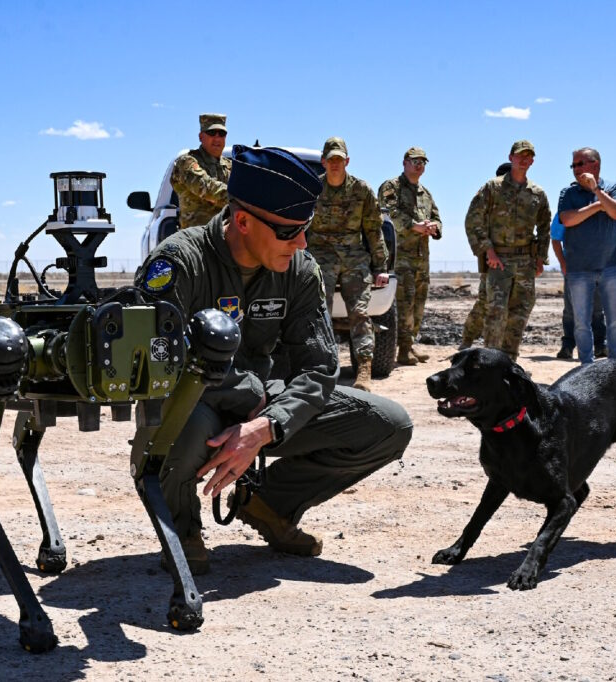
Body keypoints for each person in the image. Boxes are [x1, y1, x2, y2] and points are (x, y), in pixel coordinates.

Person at [135, 145, 413, 574]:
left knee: (389, 424)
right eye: (289, 231)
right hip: (198, 405)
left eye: (306, 228)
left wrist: (266, 426)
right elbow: (156, 360)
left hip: (267, 405)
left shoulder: (299, 268)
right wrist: (246, 393)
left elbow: (319, 367)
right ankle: (182, 528)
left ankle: (269, 506)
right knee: (178, 425)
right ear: (243, 221)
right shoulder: (180, 261)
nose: (301, 242)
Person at [309, 137, 390, 391]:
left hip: (354, 257)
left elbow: (373, 230)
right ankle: (322, 366)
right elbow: (300, 228)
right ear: (323, 161)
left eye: (339, 159)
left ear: (347, 161)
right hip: (321, 256)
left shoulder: (361, 190)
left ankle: (364, 369)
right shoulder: (312, 189)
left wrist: (381, 267)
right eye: (330, 159)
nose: (335, 164)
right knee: (320, 311)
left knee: (360, 311)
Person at [463, 140, 551, 360]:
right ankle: (489, 360)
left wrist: (540, 258)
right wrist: (487, 251)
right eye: (520, 155)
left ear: (532, 160)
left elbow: (544, 228)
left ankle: (509, 360)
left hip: (525, 263)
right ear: (511, 157)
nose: (524, 159)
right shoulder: (493, 188)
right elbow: (473, 220)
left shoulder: (537, 193)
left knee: (520, 313)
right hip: (499, 261)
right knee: (496, 312)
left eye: (529, 156)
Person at [557, 147, 616, 364]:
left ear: (595, 165)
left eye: (581, 164)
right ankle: (586, 366)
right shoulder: (568, 193)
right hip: (579, 269)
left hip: (611, 267)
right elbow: (568, 220)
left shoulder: (614, 187)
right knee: (581, 323)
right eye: (574, 165)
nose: (576, 169)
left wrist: (597, 191)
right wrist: (599, 207)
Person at [378, 147, 442, 365]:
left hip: (421, 257)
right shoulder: (391, 187)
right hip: (400, 256)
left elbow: (436, 216)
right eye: (415, 161)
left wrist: (434, 227)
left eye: (423, 162)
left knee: (418, 304)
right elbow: (388, 214)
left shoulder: (425, 193)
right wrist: (413, 226)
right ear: (404, 162)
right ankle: (402, 349)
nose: (419, 165)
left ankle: (409, 345)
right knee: (404, 304)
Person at [460, 161, 508, 350]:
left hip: (516, 260)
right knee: (485, 303)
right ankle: (467, 339)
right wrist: (485, 250)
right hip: (492, 258)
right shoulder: (489, 194)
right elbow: (474, 223)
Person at [552, 212, 607, 360]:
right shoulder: (565, 211)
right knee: (571, 311)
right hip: (573, 268)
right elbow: (555, 238)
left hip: (597, 267)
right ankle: (568, 346)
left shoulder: (601, 210)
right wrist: (563, 264)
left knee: (597, 310)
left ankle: (600, 345)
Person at [169, 113, 232, 230]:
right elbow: (207, 188)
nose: (217, 138)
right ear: (201, 136)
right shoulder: (186, 162)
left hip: (226, 238)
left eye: (222, 134)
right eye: (212, 133)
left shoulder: (230, 166)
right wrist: (245, 198)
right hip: (196, 240)